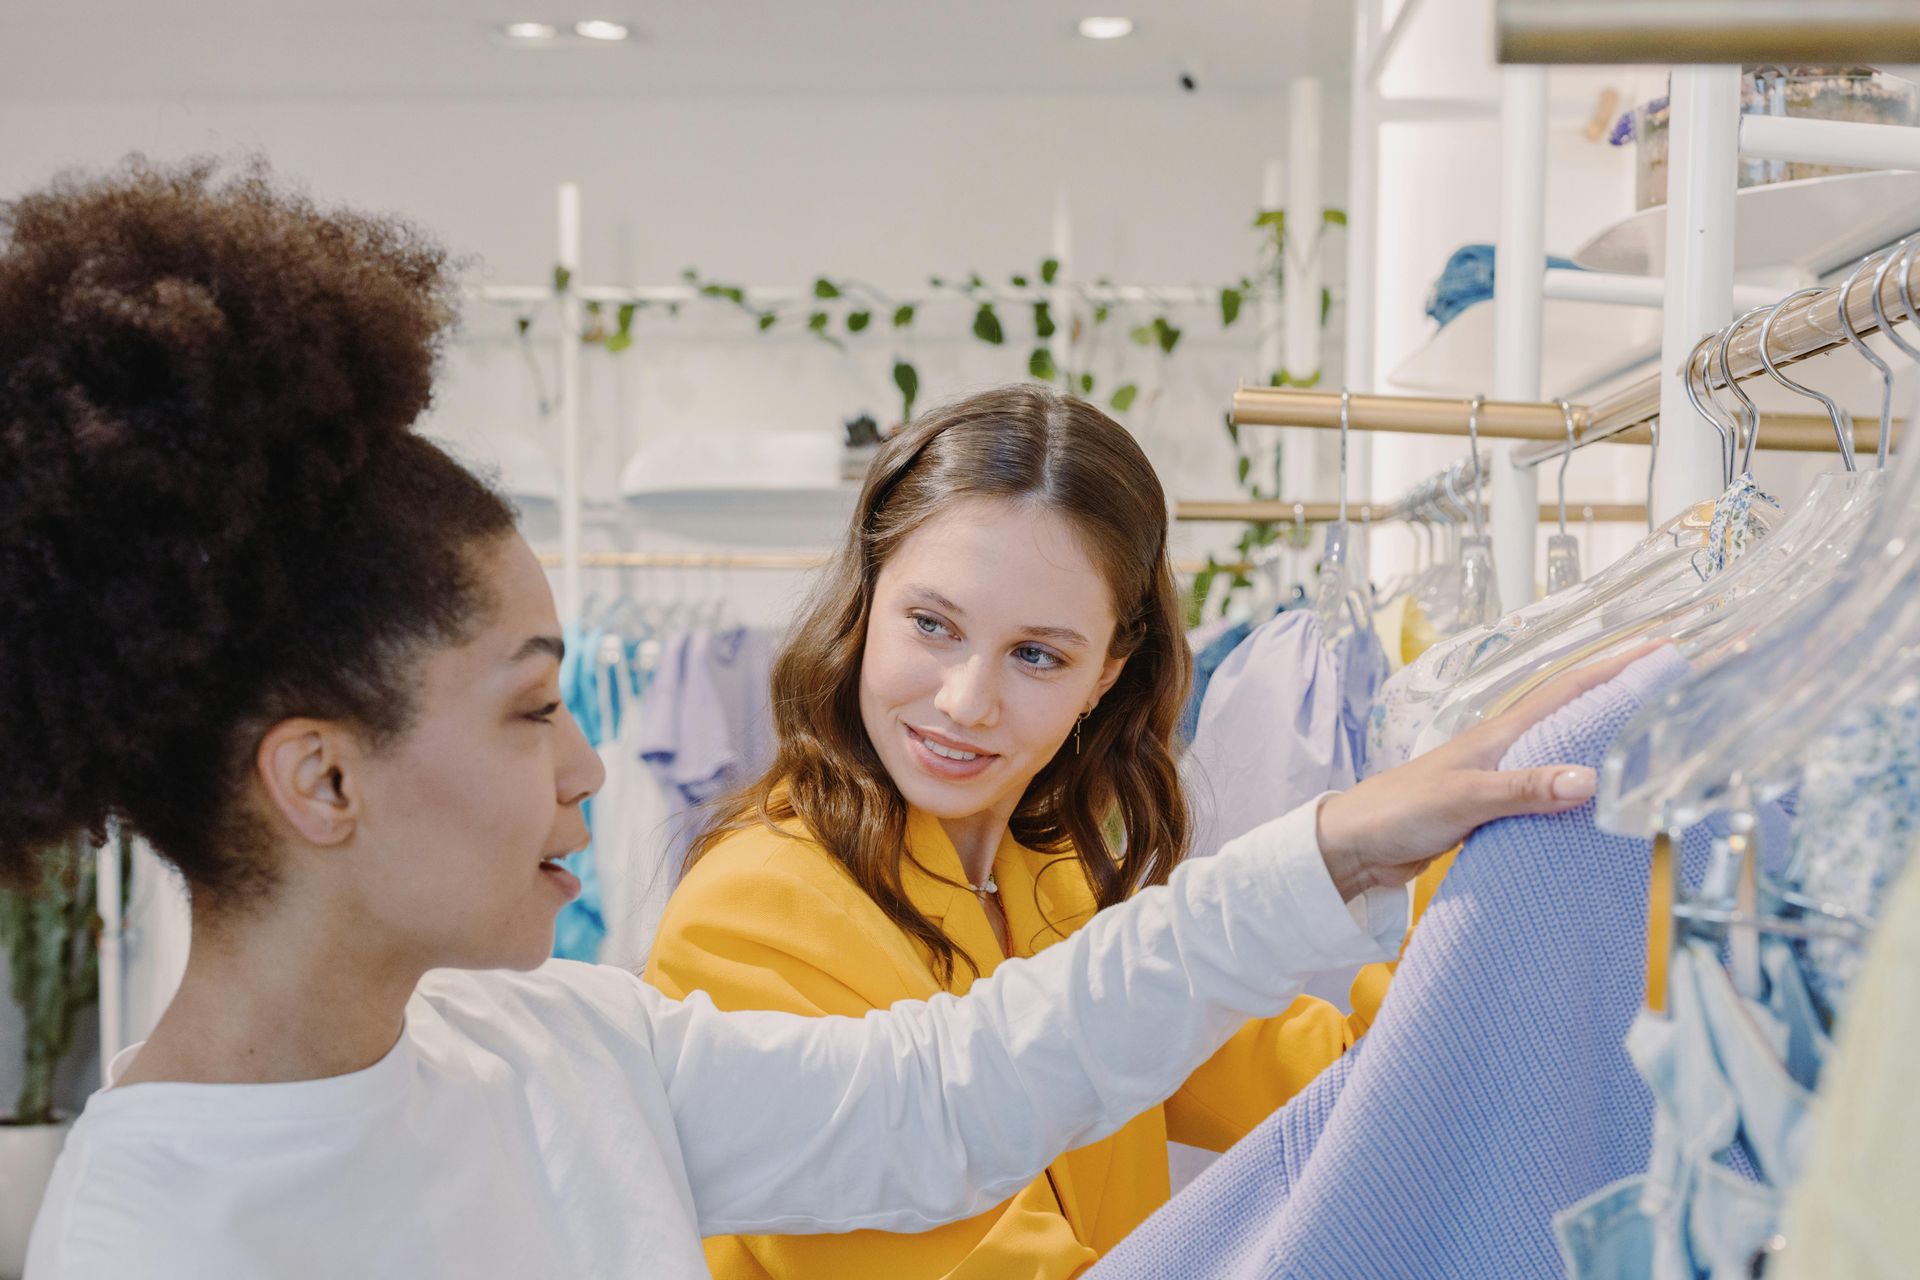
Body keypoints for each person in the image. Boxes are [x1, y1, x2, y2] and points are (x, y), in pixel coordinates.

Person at [2, 158, 1614, 1280]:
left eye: (1045, 653)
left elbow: (956, 1088)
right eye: (531, 710)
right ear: (323, 778)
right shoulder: (160, 1234)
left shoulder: (561, 1045)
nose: (587, 767)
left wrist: (1339, 842)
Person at [645, 387, 1427, 1278]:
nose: (965, 702)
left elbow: (1320, 1076)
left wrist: (1509, 872)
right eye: (932, 625)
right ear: (865, 604)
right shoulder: (751, 914)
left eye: (1036, 655)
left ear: (1106, 674)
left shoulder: (1061, 881)